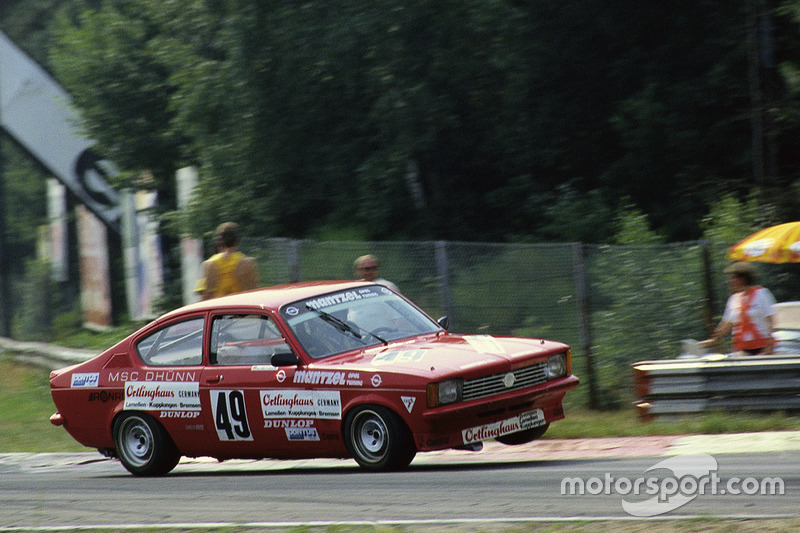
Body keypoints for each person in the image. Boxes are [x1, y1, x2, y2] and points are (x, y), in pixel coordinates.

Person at [700, 261, 776, 355]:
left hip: (763, 348)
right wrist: (713, 340)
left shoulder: (761, 294)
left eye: (732, 278)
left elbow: (772, 322)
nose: (728, 281)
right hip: (742, 349)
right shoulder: (733, 299)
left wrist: (769, 347)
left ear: (743, 278)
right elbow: (726, 325)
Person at [200, 222, 259, 300]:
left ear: (219, 242)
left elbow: (204, 297)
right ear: (238, 241)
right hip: (241, 309)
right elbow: (254, 293)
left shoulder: (208, 264)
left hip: (219, 310)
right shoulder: (248, 263)